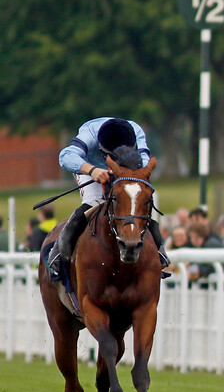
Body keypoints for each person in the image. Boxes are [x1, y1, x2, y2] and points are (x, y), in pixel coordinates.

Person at [47, 117, 169, 278]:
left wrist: (130, 174)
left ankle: (158, 252)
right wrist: (92, 171)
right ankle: (59, 252)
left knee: (137, 204)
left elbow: (145, 161)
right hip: (91, 168)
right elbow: (66, 156)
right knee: (93, 202)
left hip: (126, 170)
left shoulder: (135, 131)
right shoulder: (89, 133)